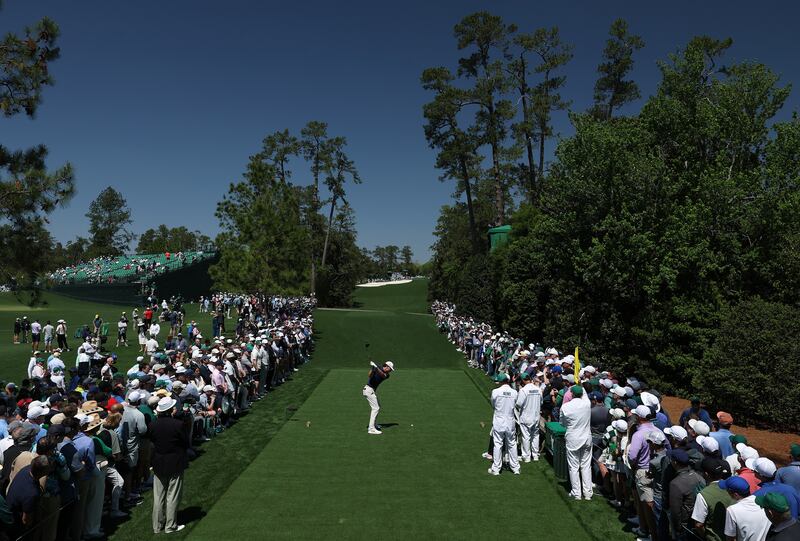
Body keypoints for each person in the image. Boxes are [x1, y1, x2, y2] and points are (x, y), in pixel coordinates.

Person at [150, 397, 189, 534]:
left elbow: (153, 441)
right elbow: (185, 443)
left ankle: (157, 526)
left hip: (159, 463)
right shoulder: (178, 424)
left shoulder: (153, 424)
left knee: (158, 496)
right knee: (172, 496)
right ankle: (170, 526)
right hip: (175, 462)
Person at [560, 384, 592, 499]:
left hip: (573, 438)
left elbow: (562, 424)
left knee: (574, 466)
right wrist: (580, 385)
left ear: (572, 394)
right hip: (586, 438)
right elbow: (584, 393)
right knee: (586, 466)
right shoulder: (587, 404)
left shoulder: (565, 407)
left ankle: (577, 493)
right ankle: (588, 493)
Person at [692, 457, 735, 541]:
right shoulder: (733, 487)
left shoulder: (703, 495)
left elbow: (698, 525)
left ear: (706, 474)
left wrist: (705, 536)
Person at [668, 448, 706, 540]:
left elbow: (675, 511)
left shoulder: (675, 483)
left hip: (685, 526)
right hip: (700, 522)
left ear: (675, 462)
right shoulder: (699, 477)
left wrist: (678, 528)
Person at [488, 373, 520, 476]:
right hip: (510, 421)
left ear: (501, 382)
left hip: (499, 420)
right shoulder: (514, 392)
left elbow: (493, 404)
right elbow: (515, 404)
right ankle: (515, 468)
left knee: (498, 444)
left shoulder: (495, 391)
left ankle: (496, 469)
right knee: (512, 444)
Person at [722, 475, 770, 541]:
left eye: (728, 491)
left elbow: (730, 538)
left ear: (735, 494)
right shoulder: (762, 501)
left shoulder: (732, 510)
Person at [362, 360, 395, 435]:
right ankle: (371, 429)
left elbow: (382, 375)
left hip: (370, 391)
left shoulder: (387, 375)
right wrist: (372, 369)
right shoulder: (377, 367)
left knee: (377, 407)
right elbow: (369, 376)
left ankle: (374, 425)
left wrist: (375, 367)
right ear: (387, 366)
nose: (391, 371)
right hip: (368, 390)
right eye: (390, 369)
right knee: (375, 408)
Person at [515, 372, 541, 462]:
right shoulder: (538, 389)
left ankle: (526, 456)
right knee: (535, 436)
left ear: (523, 380)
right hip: (536, 416)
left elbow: (518, 404)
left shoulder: (523, 390)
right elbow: (541, 402)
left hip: (526, 416)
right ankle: (535, 455)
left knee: (526, 437)